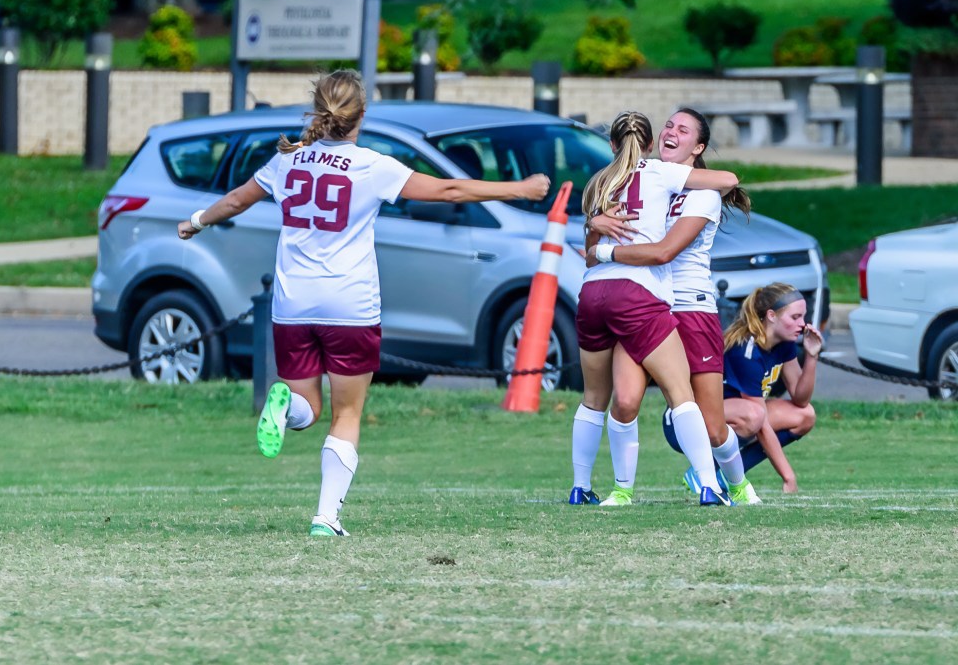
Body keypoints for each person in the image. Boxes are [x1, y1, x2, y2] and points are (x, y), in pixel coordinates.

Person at [177, 69, 549, 536]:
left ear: (318, 110)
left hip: (293, 305)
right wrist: (519, 189)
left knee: (306, 409)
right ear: (361, 116)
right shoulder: (372, 166)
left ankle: (284, 406)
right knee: (346, 413)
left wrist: (195, 221)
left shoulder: (288, 161)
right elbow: (449, 190)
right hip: (349, 305)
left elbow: (234, 200)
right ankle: (326, 516)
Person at [578, 108, 761, 506]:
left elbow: (663, 251)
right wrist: (596, 222)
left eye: (683, 130)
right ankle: (621, 491)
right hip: (643, 302)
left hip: (689, 308)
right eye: (668, 125)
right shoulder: (641, 178)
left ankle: (736, 485)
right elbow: (594, 238)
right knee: (624, 401)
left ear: (697, 147)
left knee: (714, 428)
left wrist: (604, 250)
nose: (670, 132)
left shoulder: (701, 192)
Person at [688, 282, 820, 493]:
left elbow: (800, 398)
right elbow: (761, 424)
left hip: (736, 414)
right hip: (690, 421)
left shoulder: (783, 343)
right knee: (755, 415)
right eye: (795, 317)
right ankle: (706, 470)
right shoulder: (746, 351)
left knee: (805, 415)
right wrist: (788, 476)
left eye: (803, 317)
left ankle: (721, 473)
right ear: (771, 316)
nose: (802, 324)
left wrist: (812, 357)